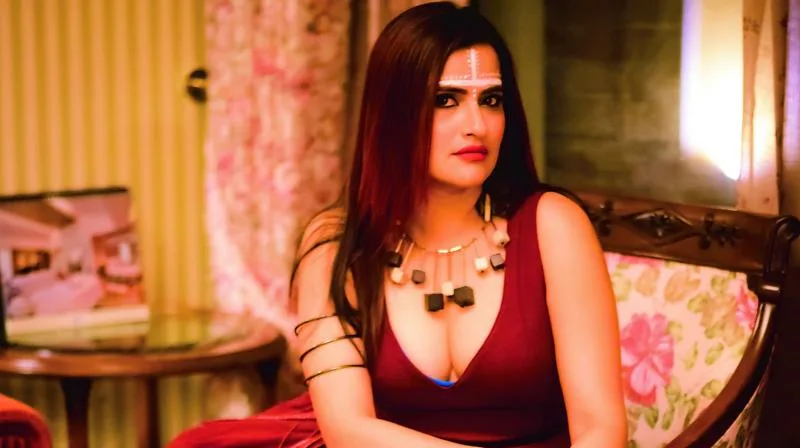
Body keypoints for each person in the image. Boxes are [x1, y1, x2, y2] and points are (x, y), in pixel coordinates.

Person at [170, 2, 626, 447]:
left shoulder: (553, 225)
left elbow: (600, 429)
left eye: (491, 100)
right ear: (393, 113)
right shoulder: (336, 246)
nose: (477, 124)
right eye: (445, 100)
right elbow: (348, 430)